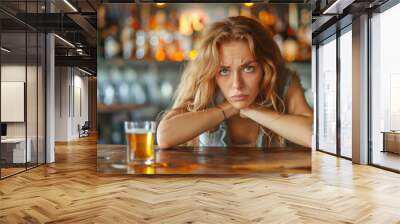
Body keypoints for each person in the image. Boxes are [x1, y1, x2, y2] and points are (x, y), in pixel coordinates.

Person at [157, 16, 313, 149]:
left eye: (248, 68)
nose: (236, 84)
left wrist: (252, 110)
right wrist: (228, 108)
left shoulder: (282, 82)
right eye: (224, 71)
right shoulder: (207, 84)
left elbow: (313, 135)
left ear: (266, 68)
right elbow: (165, 136)